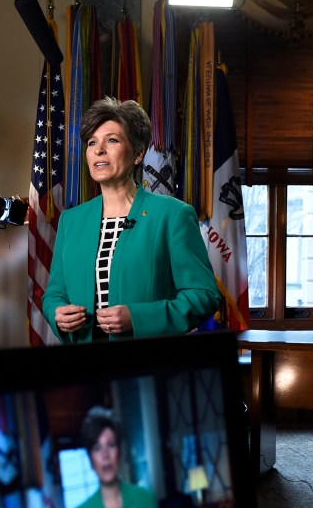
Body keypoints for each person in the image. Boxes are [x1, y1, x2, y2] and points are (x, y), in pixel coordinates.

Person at [42, 97, 220, 342]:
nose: (98, 150)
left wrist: (138, 318)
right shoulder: (71, 221)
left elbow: (204, 295)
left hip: (145, 368)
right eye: (92, 142)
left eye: (111, 140)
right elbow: (55, 293)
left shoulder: (172, 215)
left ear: (138, 153)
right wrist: (57, 313)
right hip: (83, 368)